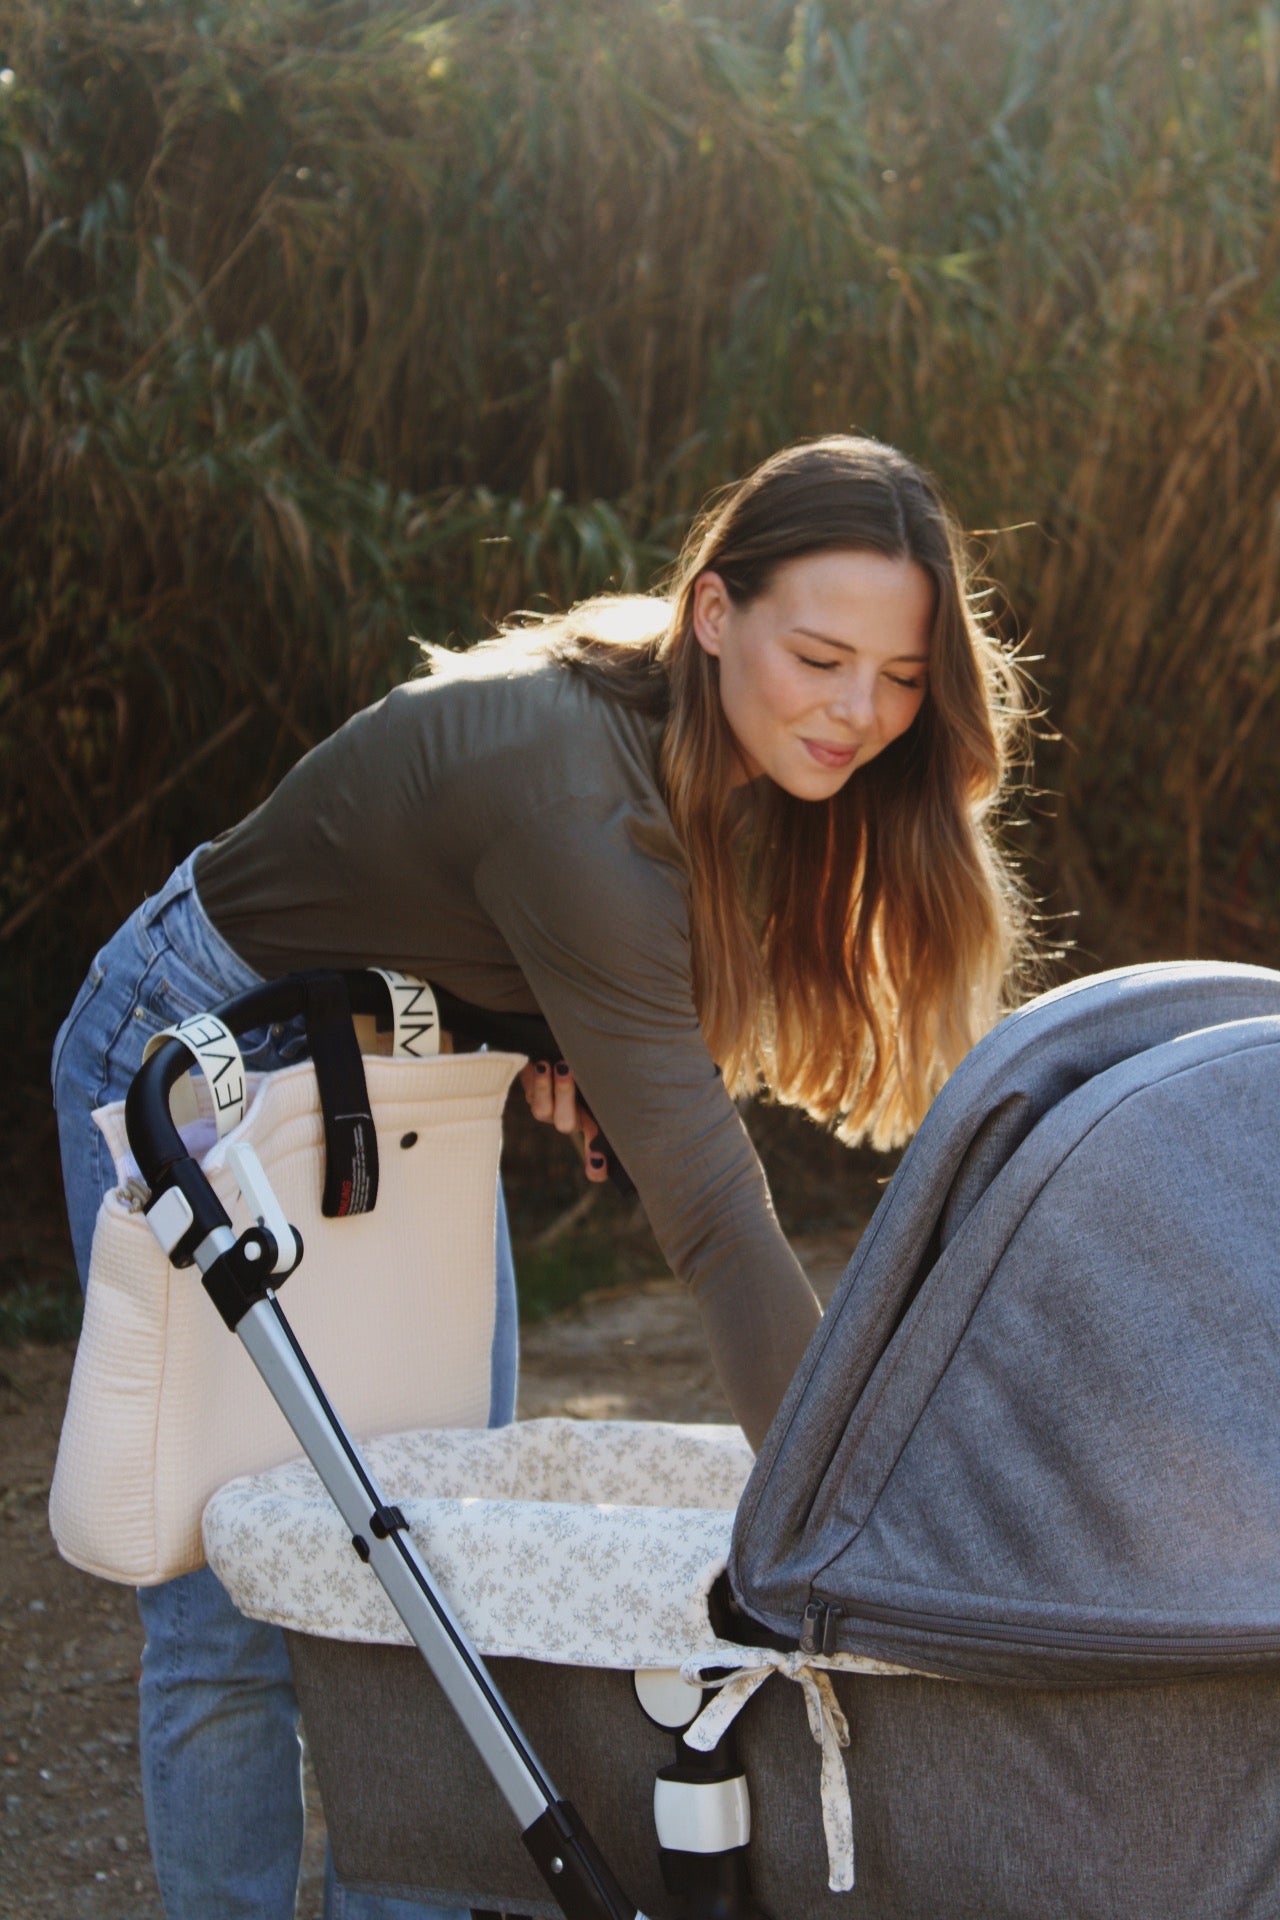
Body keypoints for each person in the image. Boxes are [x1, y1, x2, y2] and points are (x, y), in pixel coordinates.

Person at [51, 433, 1030, 1918]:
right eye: (823, 656)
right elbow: (709, 1215)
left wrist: (532, 1024)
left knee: (434, 1563)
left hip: (402, 1080)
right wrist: (843, 1514)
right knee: (226, 1591)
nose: (858, 713)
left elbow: (520, 946)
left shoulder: (728, 741)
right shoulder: (578, 789)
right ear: (714, 613)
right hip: (191, 1067)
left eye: (900, 678)